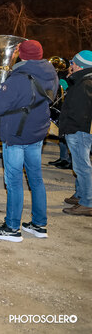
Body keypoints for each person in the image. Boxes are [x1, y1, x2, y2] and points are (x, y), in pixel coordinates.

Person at [0, 39, 58, 242]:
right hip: (37, 132)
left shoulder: (18, 78)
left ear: (22, 55)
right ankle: (39, 225)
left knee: (14, 181)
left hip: (17, 133)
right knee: (36, 179)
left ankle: (12, 228)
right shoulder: (50, 72)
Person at [58, 50, 92, 217]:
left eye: (72, 63)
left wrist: (68, 128)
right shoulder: (83, 80)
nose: (70, 65)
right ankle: (80, 194)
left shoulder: (84, 84)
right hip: (79, 129)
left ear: (79, 65)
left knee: (82, 166)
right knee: (80, 165)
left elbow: (78, 112)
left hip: (78, 130)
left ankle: (87, 202)